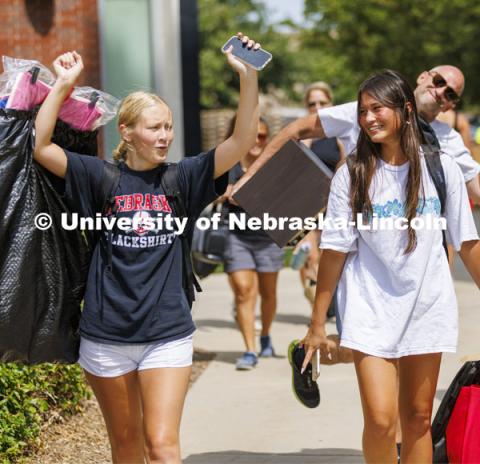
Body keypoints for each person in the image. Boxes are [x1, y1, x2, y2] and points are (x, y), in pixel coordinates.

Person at [33, 32, 260, 463]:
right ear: (127, 131)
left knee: (161, 445)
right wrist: (62, 85)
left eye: (168, 127)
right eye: (155, 127)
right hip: (105, 335)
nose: (165, 136)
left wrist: (247, 78)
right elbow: (41, 147)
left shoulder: (184, 178)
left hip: (166, 333)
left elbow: (241, 141)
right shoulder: (100, 177)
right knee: (125, 446)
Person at [300, 70, 480, 463]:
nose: (368, 119)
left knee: (417, 419)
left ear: (406, 110)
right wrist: (317, 324)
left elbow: (467, 244)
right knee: (381, 421)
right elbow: (333, 252)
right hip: (370, 309)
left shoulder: (441, 168)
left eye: (377, 108)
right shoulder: (352, 174)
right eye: (363, 110)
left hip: (426, 306)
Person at [230, 65, 480, 205]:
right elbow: (296, 129)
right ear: (423, 76)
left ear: (451, 105)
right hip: (354, 236)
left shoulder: (447, 139)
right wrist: (251, 178)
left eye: (450, 94)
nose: (441, 92)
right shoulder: (366, 112)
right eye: (438, 81)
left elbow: (475, 186)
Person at [222, 116, 284, 370]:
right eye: (254, 136)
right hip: (235, 235)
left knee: (268, 293)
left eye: (263, 136)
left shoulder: (274, 164)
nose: (259, 141)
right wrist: (225, 192)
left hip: (268, 237)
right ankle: (250, 350)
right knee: (244, 291)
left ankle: (266, 335)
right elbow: (210, 189)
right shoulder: (227, 163)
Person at [296, 82, 345, 308]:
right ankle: (317, 306)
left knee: (330, 255)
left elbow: (346, 165)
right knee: (310, 257)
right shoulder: (303, 133)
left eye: (322, 102)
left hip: (334, 204)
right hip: (307, 205)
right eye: (311, 104)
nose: (317, 107)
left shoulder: (339, 134)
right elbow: (297, 164)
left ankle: (329, 300)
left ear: (331, 103)